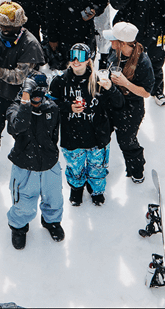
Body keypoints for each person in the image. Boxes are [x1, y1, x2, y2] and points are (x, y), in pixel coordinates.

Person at [0, 2, 45, 185]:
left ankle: (25, 169)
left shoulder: (30, 44)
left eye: (8, 26)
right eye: (1, 25)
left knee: (22, 136)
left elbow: (19, 77)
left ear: (18, 25)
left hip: (19, 100)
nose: (3, 29)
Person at [49, 43, 123, 207]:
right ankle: (76, 189)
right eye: (72, 55)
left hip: (97, 136)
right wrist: (68, 107)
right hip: (72, 136)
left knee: (97, 169)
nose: (76, 61)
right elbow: (50, 105)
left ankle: (96, 190)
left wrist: (110, 88)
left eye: (80, 57)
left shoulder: (99, 80)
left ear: (88, 59)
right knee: (75, 168)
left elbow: (119, 103)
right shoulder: (60, 81)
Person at [5, 71, 64, 248]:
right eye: (33, 93)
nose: (36, 98)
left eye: (40, 93)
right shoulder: (15, 108)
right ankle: (19, 227)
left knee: (54, 198)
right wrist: (25, 100)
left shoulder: (52, 107)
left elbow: (54, 134)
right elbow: (18, 126)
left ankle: (51, 222)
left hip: (49, 164)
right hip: (24, 166)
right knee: (23, 203)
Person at [105, 22, 155, 184]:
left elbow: (146, 92)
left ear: (122, 43)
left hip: (131, 109)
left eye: (113, 40)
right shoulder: (115, 53)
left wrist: (125, 83)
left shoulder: (142, 62)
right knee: (101, 135)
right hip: (111, 102)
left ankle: (136, 170)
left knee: (127, 141)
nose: (110, 42)